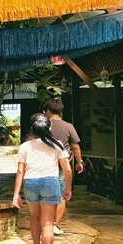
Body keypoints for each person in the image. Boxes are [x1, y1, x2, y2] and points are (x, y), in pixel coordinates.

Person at [12, 113, 72, 244]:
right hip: (50, 183)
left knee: (34, 218)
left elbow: (20, 172)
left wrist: (16, 193)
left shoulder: (25, 146)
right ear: (49, 127)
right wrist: (68, 188)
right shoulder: (57, 144)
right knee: (47, 223)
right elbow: (66, 169)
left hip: (30, 183)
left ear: (32, 127)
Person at [44, 98, 83, 235]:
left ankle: (44, 224)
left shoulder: (42, 126)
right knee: (60, 196)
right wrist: (79, 162)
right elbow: (75, 146)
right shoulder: (68, 126)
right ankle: (55, 224)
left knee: (43, 194)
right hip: (61, 165)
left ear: (47, 111)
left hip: (43, 164)